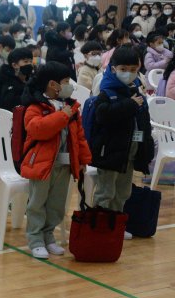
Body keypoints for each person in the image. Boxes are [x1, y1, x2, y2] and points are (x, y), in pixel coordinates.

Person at [20, 61, 91, 259]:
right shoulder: (35, 106)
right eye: (66, 81)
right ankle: (35, 240)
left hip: (64, 164)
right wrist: (61, 116)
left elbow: (80, 136)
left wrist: (83, 159)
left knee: (57, 204)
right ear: (53, 84)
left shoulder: (71, 107)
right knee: (37, 203)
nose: (70, 85)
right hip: (41, 164)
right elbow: (37, 130)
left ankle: (48, 236)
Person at [90, 46, 154, 240]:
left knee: (123, 192)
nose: (128, 73)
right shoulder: (106, 91)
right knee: (106, 192)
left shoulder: (136, 90)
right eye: (123, 69)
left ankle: (116, 224)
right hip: (109, 152)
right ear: (113, 68)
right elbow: (103, 116)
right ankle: (100, 226)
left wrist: (145, 147)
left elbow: (143, 121)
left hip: (129, 152)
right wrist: (130, 104)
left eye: (133, 70)